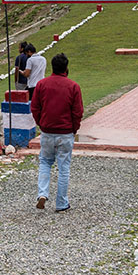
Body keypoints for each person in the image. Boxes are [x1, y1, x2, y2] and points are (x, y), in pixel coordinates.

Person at [31, 53, 83, 212]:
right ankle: (61, 203)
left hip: (47, 131)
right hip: (65, 132)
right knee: (63, 167)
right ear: (66, 68)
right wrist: (74, 128)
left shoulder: (41, 85)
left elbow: (35, 108)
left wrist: (41, 124)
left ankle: (42, 193)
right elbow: (77, 112)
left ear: (52, 67)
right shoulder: (73, 87)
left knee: (45, 162)